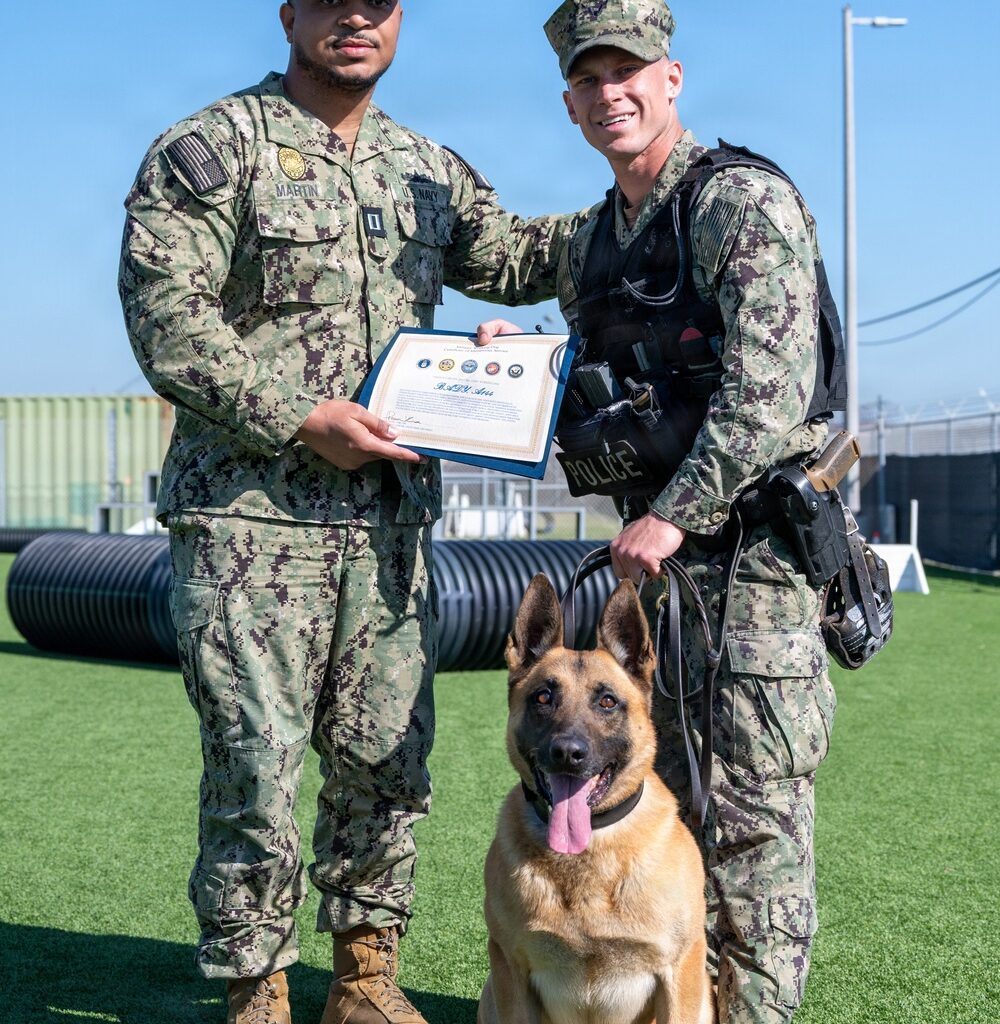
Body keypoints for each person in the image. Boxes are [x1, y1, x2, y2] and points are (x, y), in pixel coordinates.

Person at [118, 3, 580, 1022]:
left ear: (400, 17)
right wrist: (296, 418)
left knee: (386, 757)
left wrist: (648, 184)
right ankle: (256, 985)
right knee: (254, 758)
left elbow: (511, 256)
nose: (355, 20)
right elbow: (167, 316)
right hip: (251, 523)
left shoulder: (425, 169)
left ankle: (367, 977)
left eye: (377, 2)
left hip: (387, 524)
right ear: (291, 12)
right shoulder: (208, 150)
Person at [536, 2, 845, 1021]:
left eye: (630, 71)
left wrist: (674, 513)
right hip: (658, 585)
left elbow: (769, 387)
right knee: (674, 821)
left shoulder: (735, 202)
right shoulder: (602, 234)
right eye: (589, 78)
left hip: (748, 563)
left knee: (751, 824)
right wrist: (512, 348)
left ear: (672, 80)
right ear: (570, 98)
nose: (609, 92)